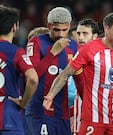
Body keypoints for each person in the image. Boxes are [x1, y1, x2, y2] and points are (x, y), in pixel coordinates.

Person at [43, 12, 113, 135]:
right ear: (107, 28)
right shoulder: (88, 49)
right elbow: (65, 74)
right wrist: (50, 95)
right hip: (93, 119)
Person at [24, 7, 79, 135]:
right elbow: (32, 76)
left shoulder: (73, 46)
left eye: (64, 30)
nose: (60, 34)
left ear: (69, 26)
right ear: (48, 26)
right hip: (40, 112)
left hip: (64, 115)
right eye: (56, 30)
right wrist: (53, 53)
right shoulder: (36, 42)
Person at [0, 5, 38, 135]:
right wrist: (23, 103)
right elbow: (33, 79)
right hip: (8, 120)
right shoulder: (16, 52)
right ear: (15, 27)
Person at [68, 18, 100, 134]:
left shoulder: (105, 57)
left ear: (95, 36)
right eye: (78, 34)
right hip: (80, 115)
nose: (80, 38)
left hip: (101, 115)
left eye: (85, 34)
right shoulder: (76, 56)